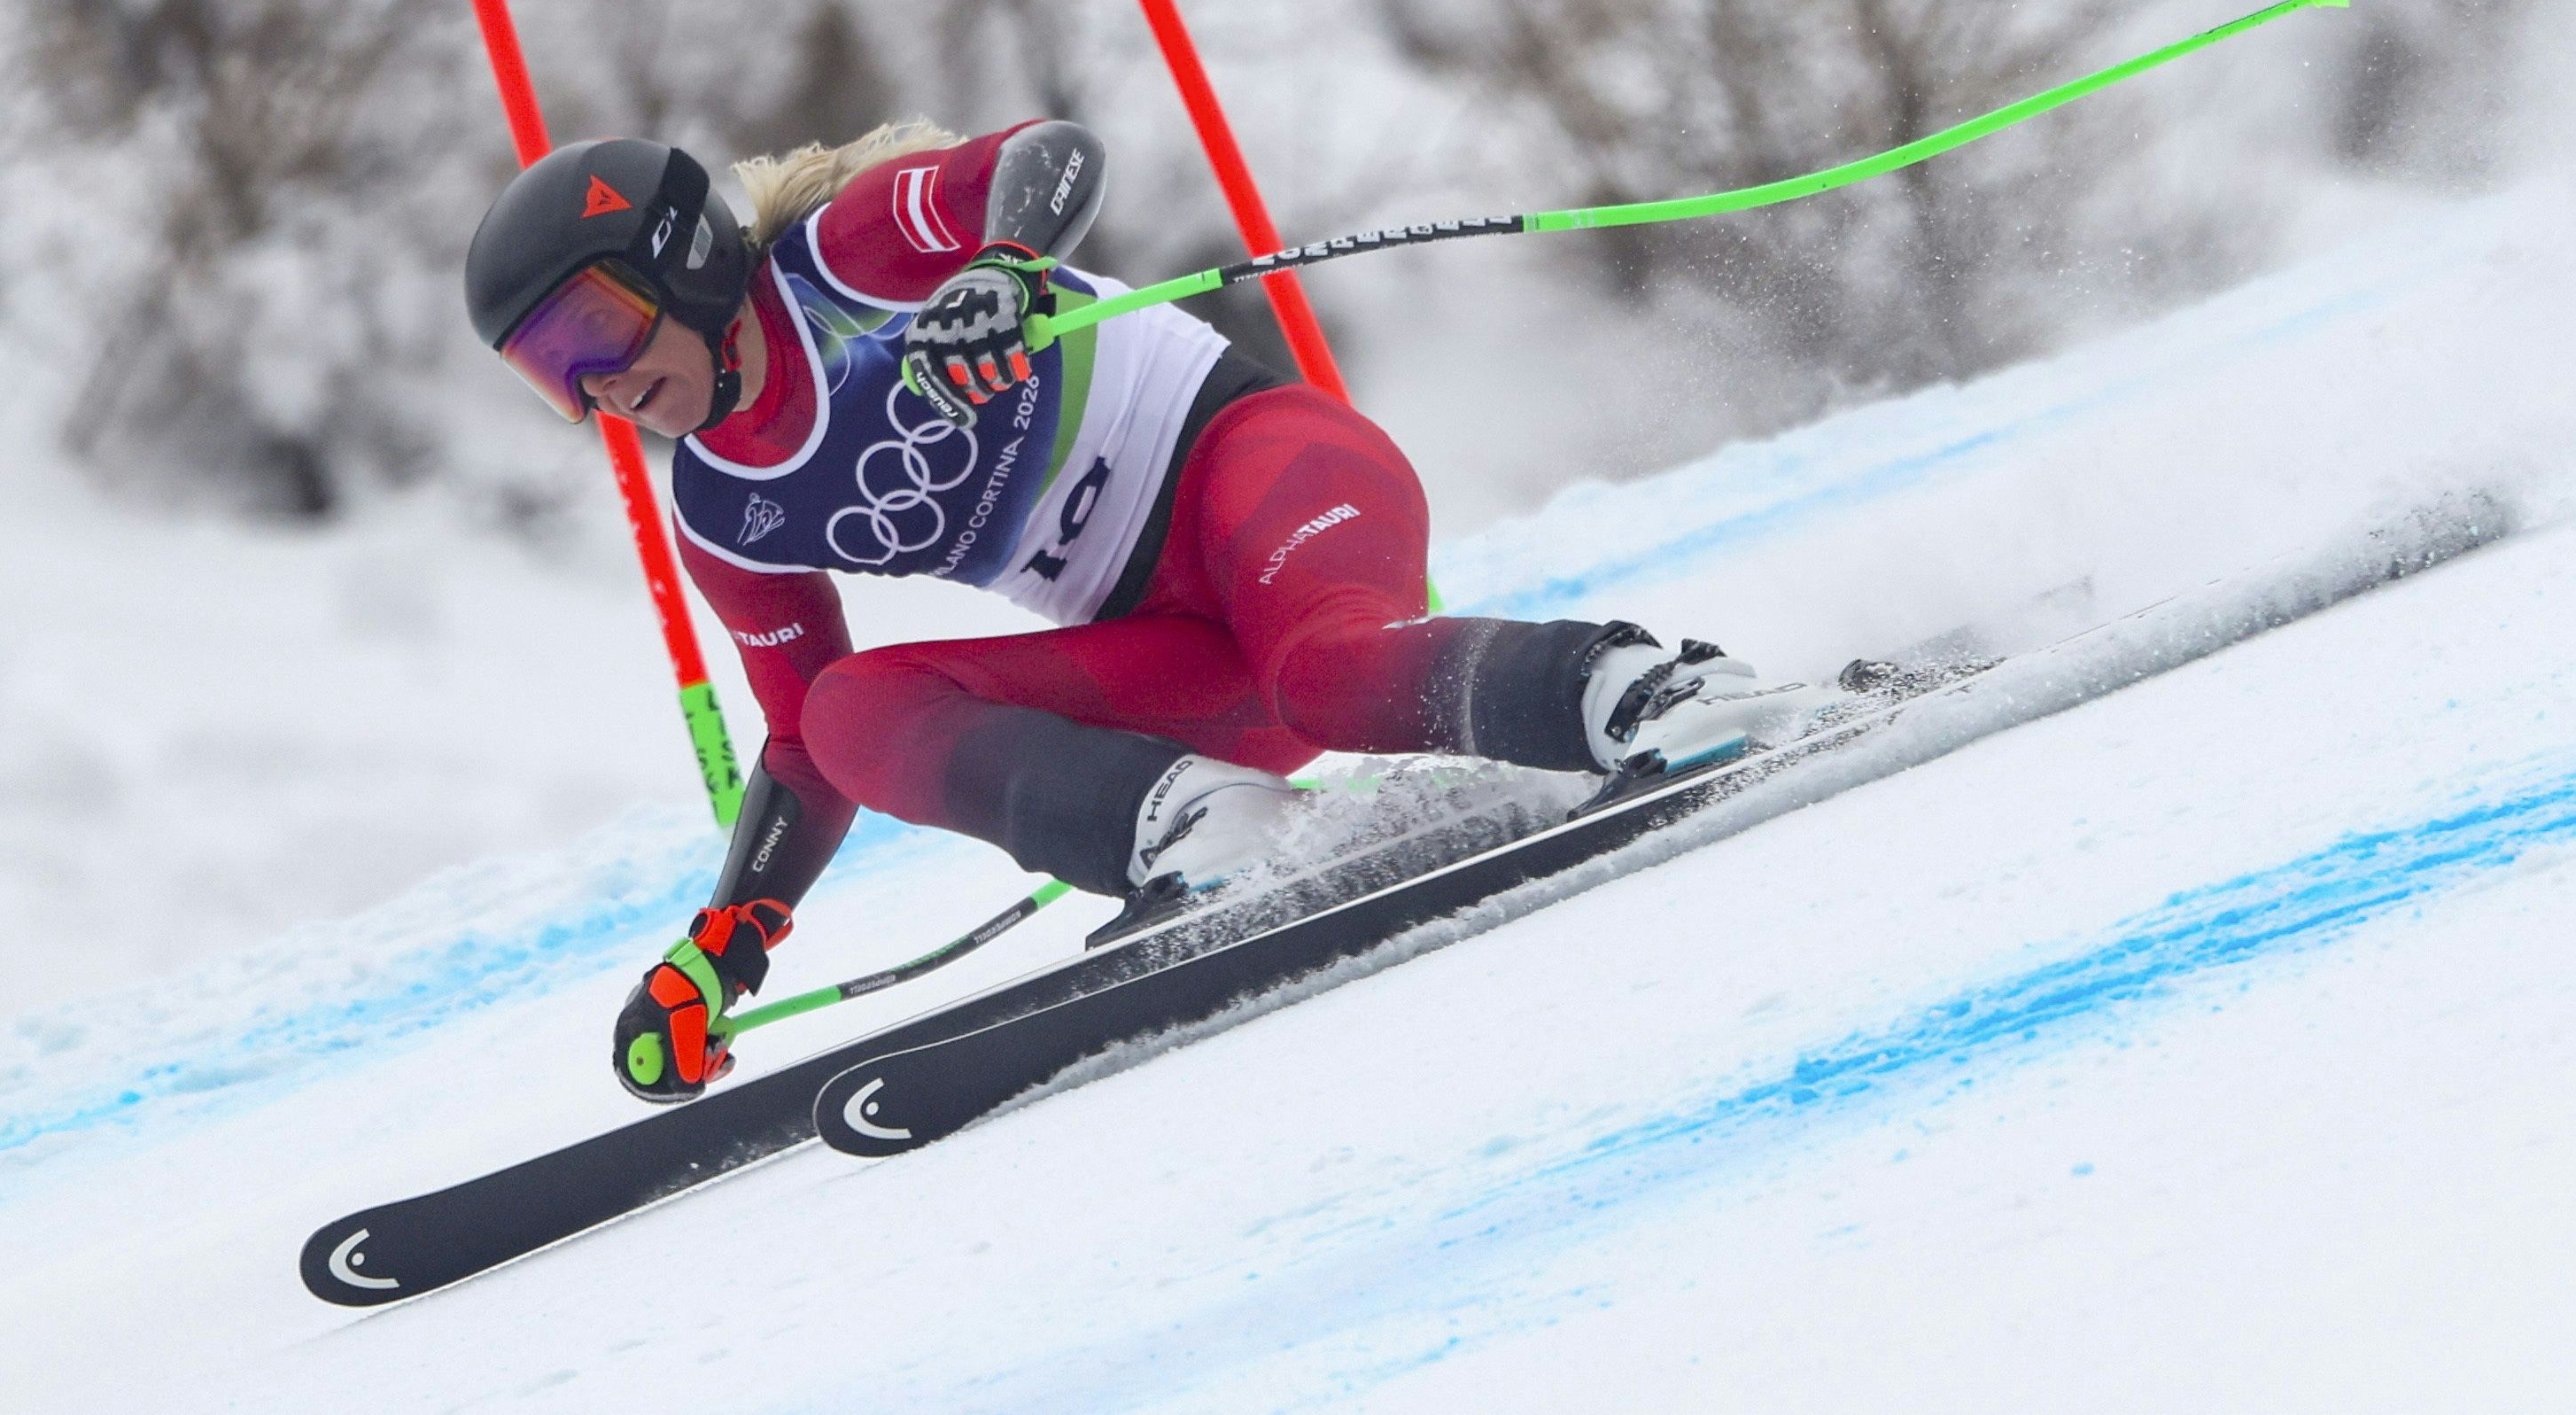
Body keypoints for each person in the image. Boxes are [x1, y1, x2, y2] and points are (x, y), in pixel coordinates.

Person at [464, 119, 1800, 1103]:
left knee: (1326, 674)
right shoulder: (722, 509)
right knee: (848, 704)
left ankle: (1640, 690)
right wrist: (728, 942)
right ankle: (1199, 826)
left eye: (598, 331)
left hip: (1257, 471)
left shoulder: (841, 261)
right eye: (550, 373)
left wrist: (998, 267)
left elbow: (1047, 160)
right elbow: (810, 747)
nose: (597, 390)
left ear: (685, 260)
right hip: (1165, 648)